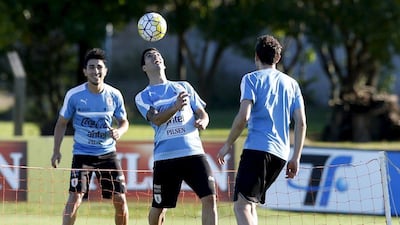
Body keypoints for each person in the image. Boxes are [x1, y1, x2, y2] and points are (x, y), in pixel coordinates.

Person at [217, 35, 307, 225]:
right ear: (278, 58)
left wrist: (227, 144)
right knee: (250, 205)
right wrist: (296, 157)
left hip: (258, 150)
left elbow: (244, 116)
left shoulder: (251, 79)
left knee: (241, 206)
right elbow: (301, 123)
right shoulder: (292, 84)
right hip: (281, 155)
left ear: (256, 56)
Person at [135, 48, 218, 225]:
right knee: (159, 207)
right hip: (166, 158)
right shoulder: (143, 96)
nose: (155, 57)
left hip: (193, 153)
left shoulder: (184, 86)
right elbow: (156, 119)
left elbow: (202, 112)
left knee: (210, 198)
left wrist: (203, 120)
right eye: (149, 56)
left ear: (163, 62)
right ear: (144, 68)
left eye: (158, 55)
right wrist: (175, 106)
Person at [51, 48, 130, 225]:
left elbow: (124, 122)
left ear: (106, 71)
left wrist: (119, 131)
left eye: (100, 67)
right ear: (85, 71)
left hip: (108, 154)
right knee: (75, 198)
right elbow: (61, 123)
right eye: (92, 67)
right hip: (82, 154)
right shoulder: (74, 95)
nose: (96, 71)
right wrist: (56, 151)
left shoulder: (114, 95)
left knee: (120, 200)